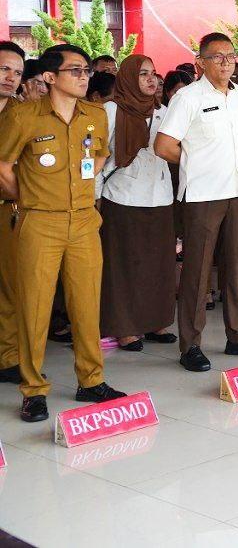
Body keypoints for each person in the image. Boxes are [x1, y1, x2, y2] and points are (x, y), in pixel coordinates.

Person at [0, 44, 128, 422]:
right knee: (35, 308)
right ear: (50, 77)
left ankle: (91, 380)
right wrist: (29, 199)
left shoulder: (95, 115)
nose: (85, 76)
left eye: (87, 70)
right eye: (76, 70)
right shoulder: (23, 116)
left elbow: (101, 155)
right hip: (40, 222)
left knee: (86, 305)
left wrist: (83, 190)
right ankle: (33, 389)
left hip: (84, 221)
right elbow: (4, 167)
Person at [155, 32, 238, 373]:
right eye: (216, 56)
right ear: (200, 62)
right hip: (203, 195)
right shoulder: (188, 97)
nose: (224, 61)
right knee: (198, 271)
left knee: (236, 266)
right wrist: (196, 164)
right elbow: (163, 146)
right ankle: (190, 345)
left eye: (230, 55)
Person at [98, 55, 177, 352]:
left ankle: (156, 320)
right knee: (125, 266)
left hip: (159, 196)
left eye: (154, 74)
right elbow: (98, 157)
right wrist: (94, 196)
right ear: (129, 77)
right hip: (123, 196)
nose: (151, 79)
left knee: (159, 265)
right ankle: (126, 327)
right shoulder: (110, 111)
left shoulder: (164, 112)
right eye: (143, 74)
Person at [0, 41, 25, 384]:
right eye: (4, 68)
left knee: (10, 287)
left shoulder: (22, 114)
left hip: (9, 209)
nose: (11, 77)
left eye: (18, 72)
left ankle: (8, 358)